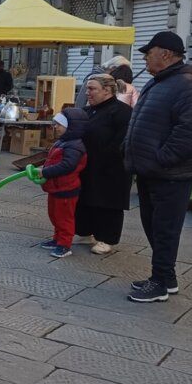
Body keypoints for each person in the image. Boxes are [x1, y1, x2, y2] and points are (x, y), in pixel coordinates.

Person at [123, 31, 192, 303]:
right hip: (151, 171)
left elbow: (189, 132)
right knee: (153, 226)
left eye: (150, 52)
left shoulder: (188, 85)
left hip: (170, 174)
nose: (146, 58)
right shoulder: (159, 82)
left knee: (165, 229)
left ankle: (160, 283)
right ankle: (165, 279)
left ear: (167, 54)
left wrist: (160, 158)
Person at [76, 74, 133, 255]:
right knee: (86, 199)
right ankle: (85, 232)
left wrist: (105, 156)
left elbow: (122, 141)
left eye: (92, 89)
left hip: (112, 167)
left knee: (108, 203)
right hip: (88, 164)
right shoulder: (88, 110)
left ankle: (107, 239)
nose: (87, 93)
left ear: (107, 91)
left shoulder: (122, 112)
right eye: (87, 89)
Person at [38, 109, 89, 259]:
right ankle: (57, 239)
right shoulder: (64, 142)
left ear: (70, 126)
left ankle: (65, 245)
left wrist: (45, 172)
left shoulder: (74, 145)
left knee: (64, 218)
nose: (55, 127)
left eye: (59, 124)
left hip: (66, 188)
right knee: (54, 215)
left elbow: (68, 166)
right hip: (56, 187)